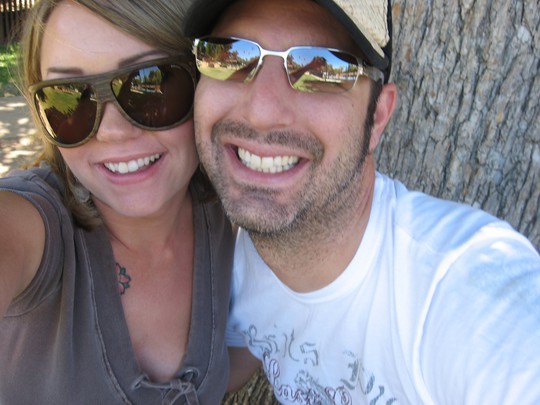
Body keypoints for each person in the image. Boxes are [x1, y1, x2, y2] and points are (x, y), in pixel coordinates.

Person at [183, 0, 540, 403]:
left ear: (377, 118)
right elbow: (230, 361)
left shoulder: (460, 290)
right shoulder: (237, 259)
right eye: (229, 56)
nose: (261, 111)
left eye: (321, 69)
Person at [0, 0, 234, 404]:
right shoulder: (34, 227)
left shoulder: (228, 211)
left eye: (150, 83)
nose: (112, 131)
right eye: (68, 99)